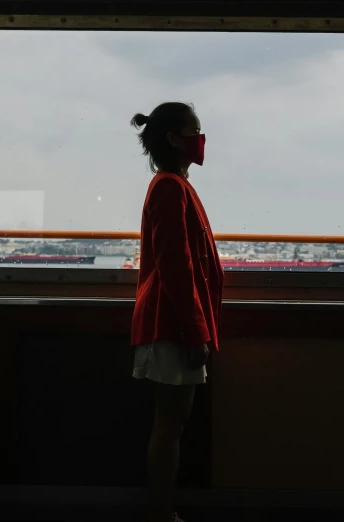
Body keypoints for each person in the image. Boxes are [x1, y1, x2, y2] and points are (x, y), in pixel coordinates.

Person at [130, 102, 224, 522]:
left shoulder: (174, 185)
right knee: (170, 427)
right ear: (173, 138)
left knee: (171, 425)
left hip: (173, 323)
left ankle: (161, 511)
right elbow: (176, 264)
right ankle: (160, 514)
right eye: (194, 130)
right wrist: (195, 331)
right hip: (171, 324)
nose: (200, 139)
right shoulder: (170, 187)